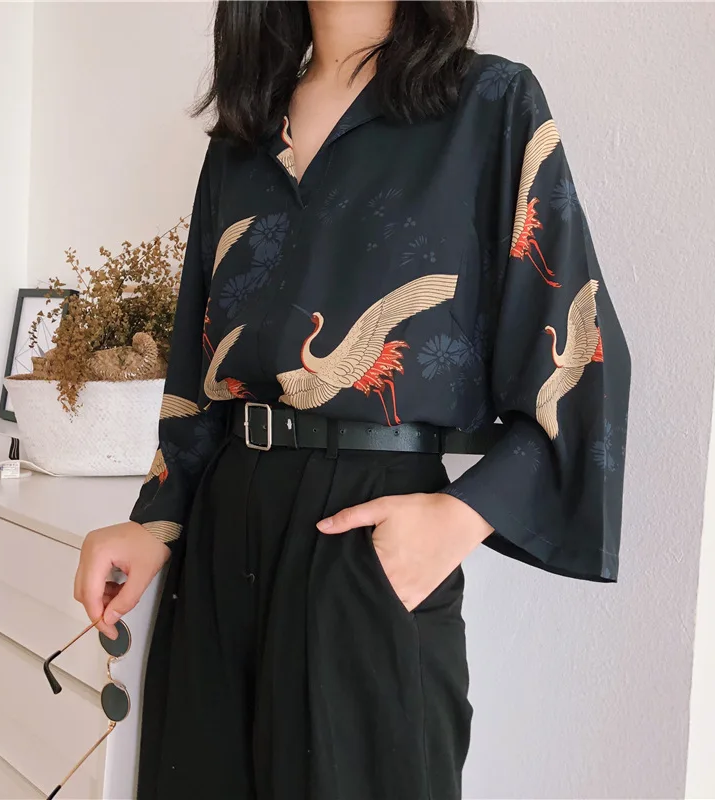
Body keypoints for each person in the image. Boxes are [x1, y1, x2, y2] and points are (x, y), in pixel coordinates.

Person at [73, 2, 631, 798]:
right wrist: (154, 522)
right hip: (224, 526)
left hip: (366, 528)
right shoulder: (244, 133)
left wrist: (461, 516)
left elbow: (581, 350)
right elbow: (199, 367)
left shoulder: (487, 104)